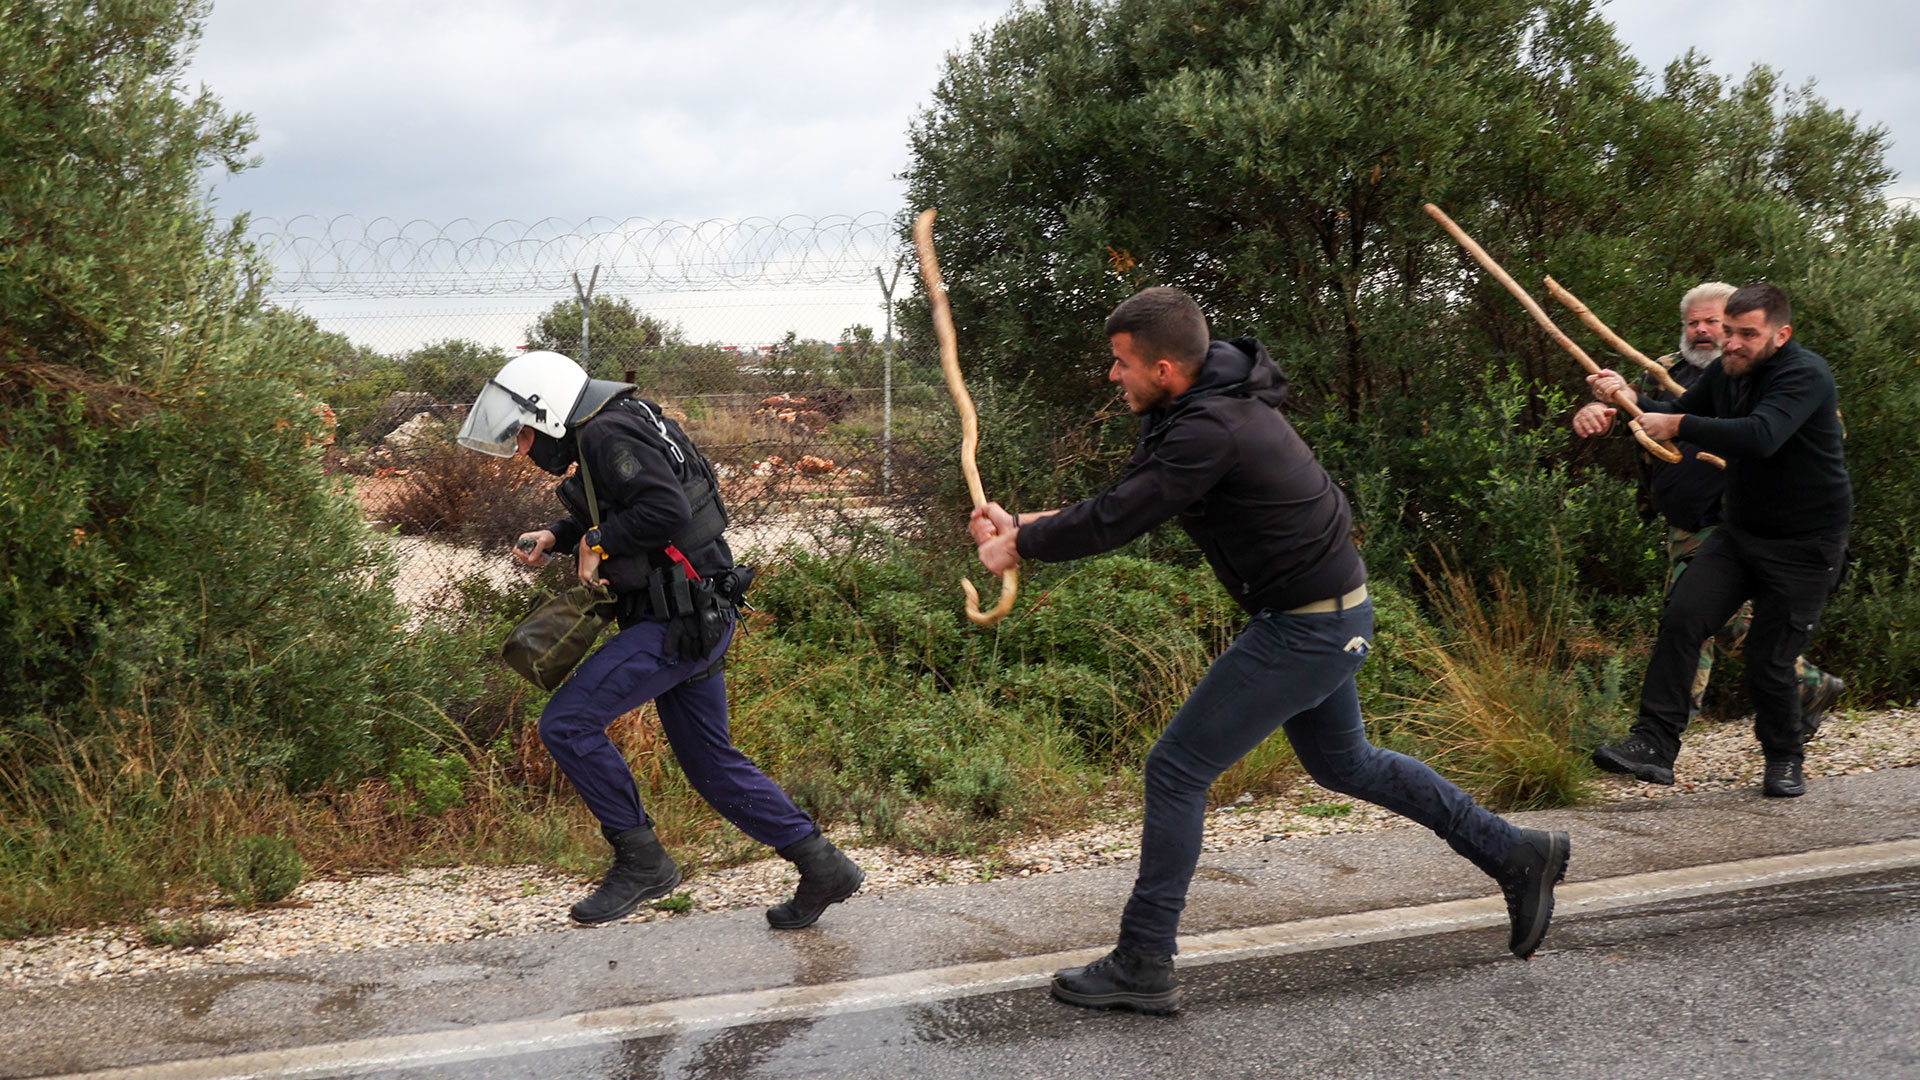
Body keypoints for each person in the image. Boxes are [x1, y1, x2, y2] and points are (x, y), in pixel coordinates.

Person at [969, 287, 1569, 1015]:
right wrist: (1020, 523)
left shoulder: (1210, 426)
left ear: (1164, 367)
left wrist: (1020, 543)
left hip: (1308, 627)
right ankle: (1513, 852)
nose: (1111, 375)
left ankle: (1143, 959)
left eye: (1120, 363)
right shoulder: (1198, 404)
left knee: (1177, 769)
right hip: (1322, 615)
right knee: (1345, 763)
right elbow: (1133, 496)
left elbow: (1121, 518)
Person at [457, 350, 863, 927]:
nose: (521, 449)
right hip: (698, 611)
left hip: (676, 621)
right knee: (710, 762)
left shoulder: (605, 435)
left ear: (546, 413)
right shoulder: (617, 422)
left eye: (520, 434)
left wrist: (597, 541)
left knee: (567, 725)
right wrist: (560, 533)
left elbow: (664, 510)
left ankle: (642, 861)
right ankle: (824, 866)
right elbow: (628, 501)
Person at [1584, 283, 1851, 798]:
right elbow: (1666, 411)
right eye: (1728, 331)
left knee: (1769, 660)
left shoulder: (1805, 375)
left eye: (1747, 334)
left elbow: (1761, 434)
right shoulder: (1726, 373)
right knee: (1684, 617)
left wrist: (1677, 421)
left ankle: (1784, 758)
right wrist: (1622, 398)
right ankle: (1654, 747)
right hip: (1741, 532)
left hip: (1805, 545)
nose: (1731, 343)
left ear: (1780, 334)